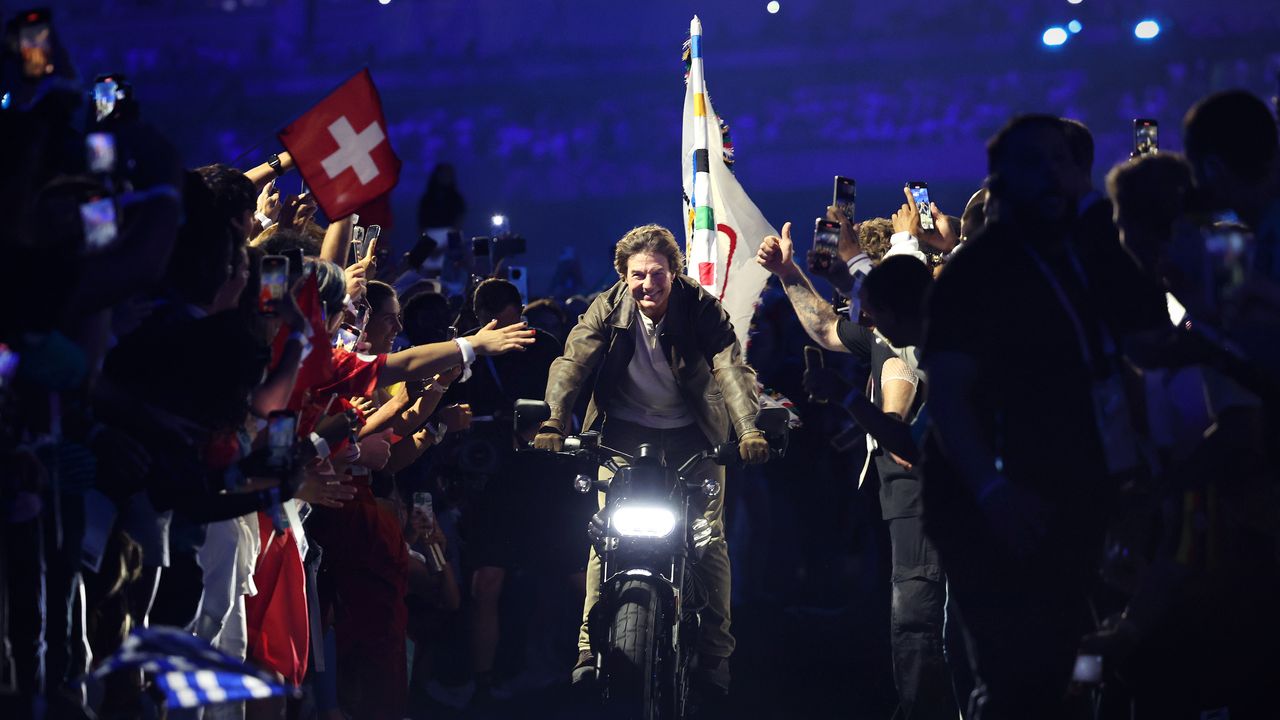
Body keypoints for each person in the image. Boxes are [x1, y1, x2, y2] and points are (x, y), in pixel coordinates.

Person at [921, 114, 1168, 718]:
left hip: (1079, 495)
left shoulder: (1086, 257)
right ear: (1003, 181)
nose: (1053, 175)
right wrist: (991, 489)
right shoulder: (975, 272)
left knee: (1084, 657)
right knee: (1023, 674)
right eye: (1035, 163)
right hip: (992, 505)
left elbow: (1147, 337)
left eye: (1063, 161)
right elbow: (949, 395)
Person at [532, 224, 769, 697]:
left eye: (657, 273)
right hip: (622, 435)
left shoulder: (700, 307)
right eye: (638, 275)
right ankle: (586, 649)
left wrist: (749, 430)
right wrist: (553, 422)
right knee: (605, 534)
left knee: (710, 539)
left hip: (693, 434)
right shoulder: (606, 307)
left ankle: (716, 661)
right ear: (623, 275)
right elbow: (573, 362)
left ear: (673, 271)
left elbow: (729, 367)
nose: (647, 284)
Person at [756, 228, 959, 719]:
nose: (862, 315)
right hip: (908, 504)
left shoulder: (915, 354)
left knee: (919, 622)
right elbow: (826, 327)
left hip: (927, 506)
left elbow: (904, 442)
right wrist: (788, 273)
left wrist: (845, 398)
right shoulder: (896, 337)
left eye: (870, 306)